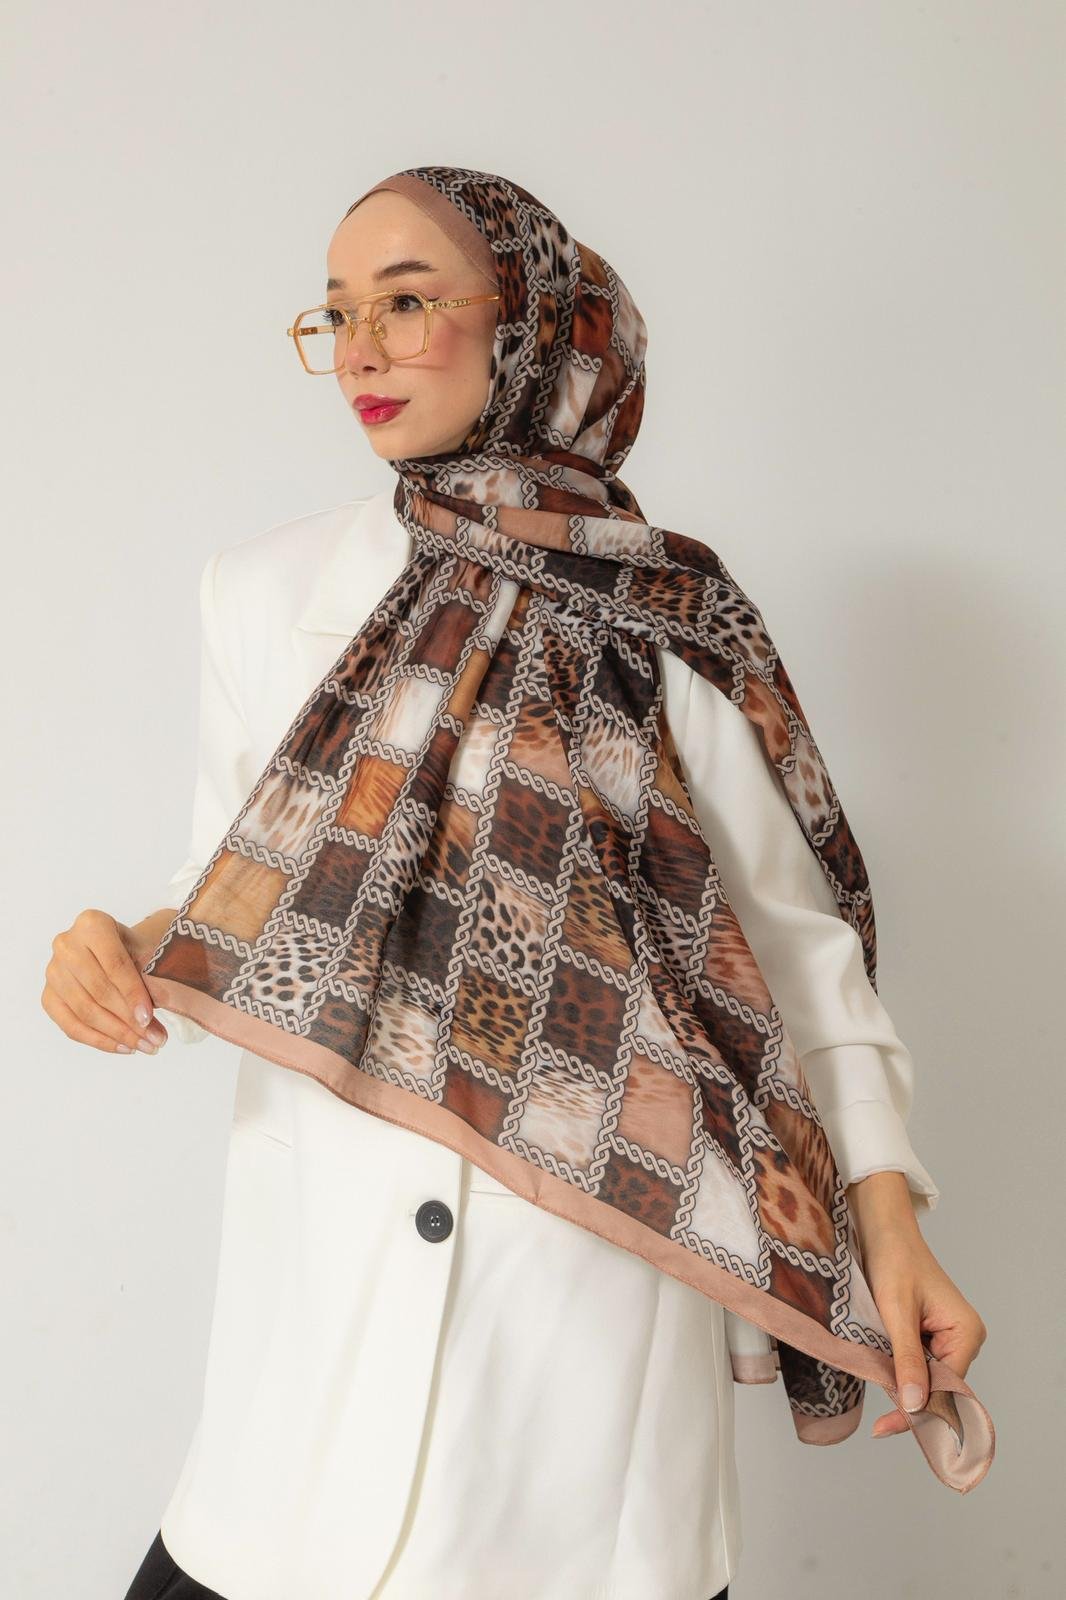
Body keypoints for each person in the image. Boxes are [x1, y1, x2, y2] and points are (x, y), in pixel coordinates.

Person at [43, 173, 985, 1600]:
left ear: (535, 325)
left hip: (583, 1317)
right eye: (337, 312)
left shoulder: (667, 609)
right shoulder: (263, 591)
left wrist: (891, 1223)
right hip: (315, 1334)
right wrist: (116, 942)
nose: (359, 350)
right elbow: (232, 885)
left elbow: (796, 963)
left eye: (407, 301)